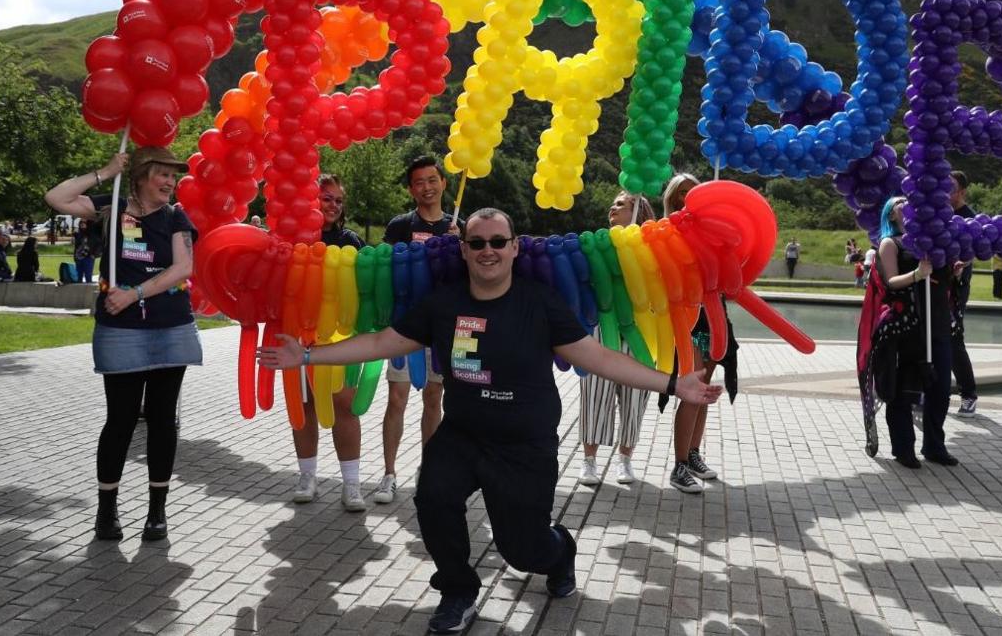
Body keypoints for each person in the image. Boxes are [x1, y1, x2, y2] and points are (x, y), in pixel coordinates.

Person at [256, 208, 721, 633]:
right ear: (464, 250)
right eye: (477, 243)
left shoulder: (540, 302)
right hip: (463, 433)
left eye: (498, 242)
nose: (488, 251)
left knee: (522, 551)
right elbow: (381, 344)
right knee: (433, 498)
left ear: (515, 247)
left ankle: (559, 552)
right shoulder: (444, 302)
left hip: (525, 442)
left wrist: (672, 384)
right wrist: (307, 356)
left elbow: (596, 356)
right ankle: (458, 590)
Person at [45, 146, 203, 542]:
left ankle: (157, 513)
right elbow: (56, 198)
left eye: (173, 175)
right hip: (121, 331)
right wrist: (103, 172)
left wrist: (135, 293)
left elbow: (183, 267)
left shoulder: (176, 216)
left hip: (170, 327)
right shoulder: (111, 207)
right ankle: (107, 511)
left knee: (164, 421)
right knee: (121, 419)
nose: (170, 182)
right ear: (139, 175)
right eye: (161, 174)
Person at [375, 155, 461, 505]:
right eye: (419, 182)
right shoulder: (400, 226)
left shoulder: (460, 226)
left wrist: (461, 245)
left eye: (432, 180)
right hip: (405, 327)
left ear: (443, 183)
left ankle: (429, 470)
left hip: (443, 330)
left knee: (433, 399)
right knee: (397, 399)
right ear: (411, 189)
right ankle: (389, 473)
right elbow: (385, 270)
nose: (426, 187)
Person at [290, 174, 368, 511]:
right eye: (326, 198)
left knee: (344, 406)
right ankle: (307, 476)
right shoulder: (292, 237)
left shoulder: (351, 241)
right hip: (297, 333)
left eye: (338, 200)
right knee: (304, 408)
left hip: (339, 336)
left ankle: (351, 484)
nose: (333, 205)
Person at [869, 195, 961, 468]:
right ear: (892, 214)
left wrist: (951, 273)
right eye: (900, 202)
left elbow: (939, 284)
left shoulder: (931, 242)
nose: (907, 203)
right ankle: (903, 447)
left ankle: (934, 445)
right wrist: (917, 274)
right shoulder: (890, 243)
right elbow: (891, 282)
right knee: (904, 390)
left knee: (941, 389)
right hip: (908, 328)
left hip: (939, 324)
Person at [577, 190, 656, 487]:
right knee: (594, 393)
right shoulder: (599, 244)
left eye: (621, 204)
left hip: (641, 331)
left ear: (639, 212)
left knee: (635, 397)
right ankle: (589, 461)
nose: (613, 206)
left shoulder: (652, 245)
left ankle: (625, 459)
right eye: (613, 202)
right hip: (602, 327)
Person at [659, 173, 731, 493]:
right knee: (693, 386)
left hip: (710, 316)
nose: (685, 197)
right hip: (684, 317)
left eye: (692, 192)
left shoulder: (710, 230)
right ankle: (679, 465)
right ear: (671, 197)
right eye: (680, 192)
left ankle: (693, 453)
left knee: (703, 387)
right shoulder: (666, 231)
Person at [948, 171, 978, 418]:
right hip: (935, 283)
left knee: (954, 340)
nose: (945, 190)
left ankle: (968, 394)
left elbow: (971, 253)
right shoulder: (939, 213)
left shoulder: (970, 219)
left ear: (962, 191)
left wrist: (960, 267)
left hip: (956, 287)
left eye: (951, 187)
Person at [73, 219, 101, 284]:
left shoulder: (92, 235)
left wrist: (94, 255)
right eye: (81, 223)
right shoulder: (78, 234)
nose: (82, 224)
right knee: (78, 278)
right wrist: (75, 257)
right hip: (79, 258)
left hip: (88, 257)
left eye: (84, 223)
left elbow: (99, 245)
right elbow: (76, 247)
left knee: (88, 277)